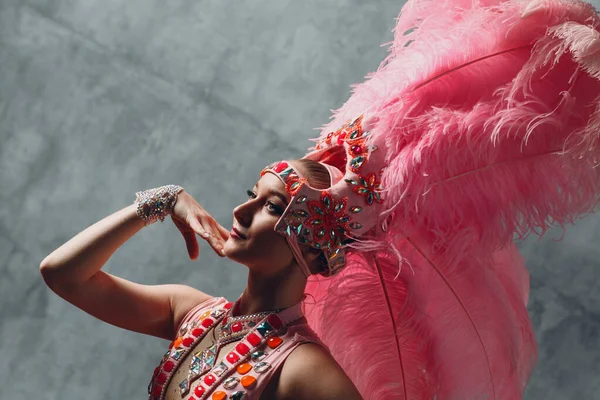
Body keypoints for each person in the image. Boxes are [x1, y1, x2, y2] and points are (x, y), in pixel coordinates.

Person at [41, 0, 600, 399]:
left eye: (269, 206)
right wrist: (163, 200)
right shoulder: (194, 315)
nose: (238, 213)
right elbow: (63, 275)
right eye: (250, 196)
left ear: (309, 245)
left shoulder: (308, 375)